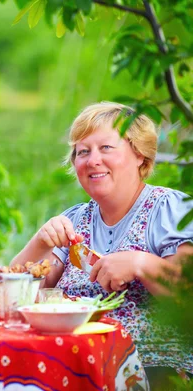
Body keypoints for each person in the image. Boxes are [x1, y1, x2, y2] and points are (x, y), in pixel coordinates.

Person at [11, 101, 193, 383]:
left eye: (106, 147)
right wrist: (39, 242)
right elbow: (12, 298)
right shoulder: (74, 220)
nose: (92, 160)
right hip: (72, 368)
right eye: (82, 152)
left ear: (140, 156)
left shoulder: (169, 209)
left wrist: (141, 263)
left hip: (154, 373)